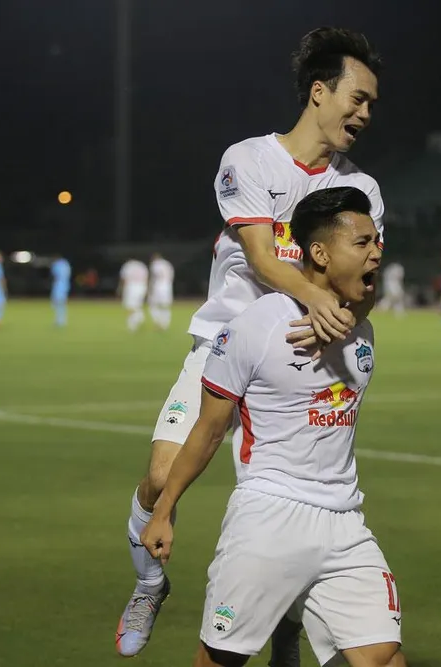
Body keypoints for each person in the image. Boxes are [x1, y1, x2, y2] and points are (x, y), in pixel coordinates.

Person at [116, 26, 385, 663]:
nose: (366, 113)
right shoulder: (250, 160)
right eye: (358, 97)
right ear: (319, 92)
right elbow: (263, 258)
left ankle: (288, 624)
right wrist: (319, 297)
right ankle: (150, 583)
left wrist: (347, 311)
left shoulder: (362, 192)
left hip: (301, 362)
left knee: (287, 501)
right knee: (160, 477)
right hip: (223, 347)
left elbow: (367, 277)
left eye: (374, 104)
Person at [141, 187, 405, 667]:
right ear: (321, 253)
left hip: (346, 519)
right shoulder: (256, 327)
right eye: (363, 242)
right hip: (270, 518)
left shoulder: (359, 327)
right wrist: (164, 508)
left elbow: (362, 301)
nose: (377, 251)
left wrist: (346, 313)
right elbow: (208, 430)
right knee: (221, 660)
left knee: (382, 657)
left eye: (377, 241)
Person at [118, 258, 149, 332]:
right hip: (142, 287)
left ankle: (132, 325)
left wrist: (120, 288)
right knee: (136, 305)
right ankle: (139, 317)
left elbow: (123, 278)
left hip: (131, 287)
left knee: (130, 306)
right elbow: (146, 278)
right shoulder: (142, 266)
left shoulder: (128, 266)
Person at [148, 252, 175, 331]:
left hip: (158, 285)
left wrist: (150, 288)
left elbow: (154, 277)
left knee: (153, 304)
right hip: (168, 286)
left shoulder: (155, 264)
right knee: (165, 306)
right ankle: (165, 324)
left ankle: (158, 323)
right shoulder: (168, 264)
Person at [50, 254, 71, 327]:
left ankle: (60, 321)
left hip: (59, 285)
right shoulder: (66, 264)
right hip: (65, 285)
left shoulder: (57, 264)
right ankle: (61, 320)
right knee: (61, 304)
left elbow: (55, 275)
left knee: (58, 303)